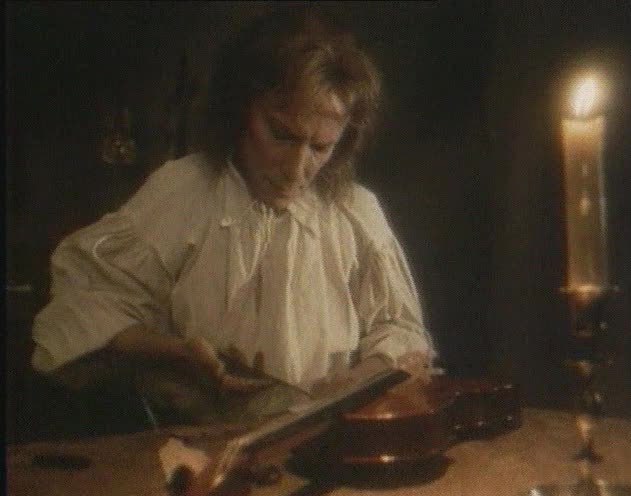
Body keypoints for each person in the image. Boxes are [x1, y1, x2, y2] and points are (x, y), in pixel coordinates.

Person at [31, 7, 434, 430]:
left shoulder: (355, 211)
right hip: (200, 440)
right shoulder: (186, 191)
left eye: (320, 147)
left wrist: (355, 382)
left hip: (326, 436)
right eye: (282, 134)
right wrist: (174, 353)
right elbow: (86, 302)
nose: (296, 170)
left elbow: (399, 329)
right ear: (241, 109)